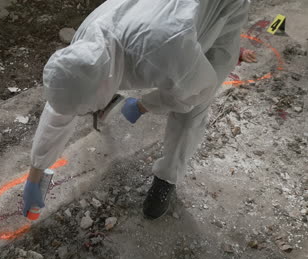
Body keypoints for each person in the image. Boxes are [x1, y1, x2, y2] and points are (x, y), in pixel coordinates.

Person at [23, 0, 257, 220]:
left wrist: (145, 105)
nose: (80, 113)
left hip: (220, 8)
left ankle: (167, 177)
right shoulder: (82, 48)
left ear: (106, 84)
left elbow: (197, 92)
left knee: (192, 109)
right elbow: (59, 109)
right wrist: (35, 173)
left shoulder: (164, 54)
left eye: (86, 109)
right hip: (163, 19)